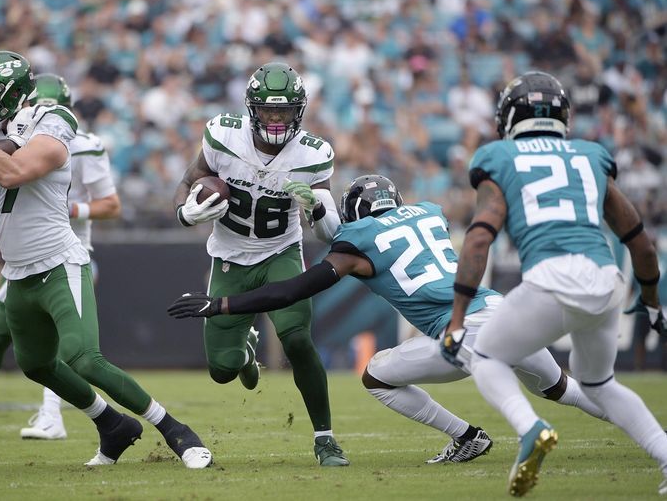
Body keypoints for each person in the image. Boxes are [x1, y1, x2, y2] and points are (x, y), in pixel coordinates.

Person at [169, 174, 609, 464]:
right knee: (561, 387)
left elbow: (292, 290)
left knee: (377, 376)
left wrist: (220, 305)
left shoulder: (356, 243)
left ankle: (467, 436)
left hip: (464, 333)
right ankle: (654, 434)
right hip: (503, 310)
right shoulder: (429, 213)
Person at [0, 51, 211, 468]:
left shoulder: (53, 120)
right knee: (35, 365)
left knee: (83, 358)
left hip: (59, 262)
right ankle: (112, 426)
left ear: (14, 95)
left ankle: (175, 431)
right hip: (20, 271)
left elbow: (10, 171)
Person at [444, 71, 667, 497]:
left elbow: (478, 237)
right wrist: (653, 305)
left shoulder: (497, 157)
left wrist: (457, 319)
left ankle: (531, 429)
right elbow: (639, 241)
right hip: (606, 281)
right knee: (599, 384)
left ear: (508, 117)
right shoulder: (589, 155)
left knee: (486, 356)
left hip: (552, 279)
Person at [172, 62, 347, 466]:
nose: (274, 118)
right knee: (221, 370)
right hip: (230, 255)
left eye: (283, 111)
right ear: (252, 108)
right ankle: (246, 351)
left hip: (281, 251)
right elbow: (189, 179)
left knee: (297, 338)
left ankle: (325, 440)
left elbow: (329, 234)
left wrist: (316, 209)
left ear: (297, 111)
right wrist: (185, 212)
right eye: (268, 110)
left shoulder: (313, 155)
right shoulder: (223, 135)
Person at [0, 72, 121, 441]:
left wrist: (72, 209)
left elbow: (111, 205)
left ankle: (51, 413)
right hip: (24, 255)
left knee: (67, 344)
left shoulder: (82, 144)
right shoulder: (11, 137)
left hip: (67, 250)